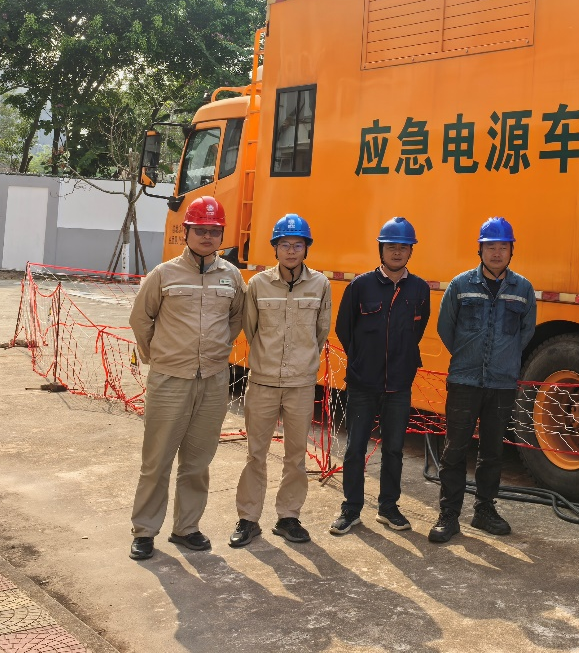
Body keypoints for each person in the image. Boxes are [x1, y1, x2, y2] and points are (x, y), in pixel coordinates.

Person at [128, 195, 246, 561]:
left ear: (221, 235)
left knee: (197, 462)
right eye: (201, 230)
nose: (208, 237)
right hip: (170, 380)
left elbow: (236, 319)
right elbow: (141, 319)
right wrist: (158, 357)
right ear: (188, 231)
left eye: (214, 231)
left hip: (213, 380)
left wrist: (217, 351)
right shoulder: (163, 274)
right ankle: (145, 531)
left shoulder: (232, 276)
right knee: (157, 461)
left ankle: (186, 528)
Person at [429, 216, 536, 544]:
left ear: (511, 250)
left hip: (502, 384)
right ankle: (449, 515)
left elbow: (525, 334)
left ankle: (484, 510)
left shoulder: (523, 289)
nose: (497, 253)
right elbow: (445, 328)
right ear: (480, 249)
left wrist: (503, 360)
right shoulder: (460, 285)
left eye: (503, 246)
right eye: (491, 247)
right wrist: (468, 356)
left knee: (492, 451)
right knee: (455, 449)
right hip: (465, 381)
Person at [229, 214, 332, 548]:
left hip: (300, 385)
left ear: (306, 248)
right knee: (255, 454)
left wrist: (301, 362)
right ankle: (248, 519)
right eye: (285, 244)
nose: (291, 251)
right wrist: (269, 360)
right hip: (263, 382)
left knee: (296, 456)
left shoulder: (320, 285)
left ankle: (288, 517)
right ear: (275, 248)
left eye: (297, 245)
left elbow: (321, 331)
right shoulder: (258, 285)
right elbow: (251, 329)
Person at [330, 217, 431, 535]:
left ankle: (388, 508)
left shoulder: (419, 289)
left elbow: (418, 329)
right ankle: (351, 509)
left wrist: (402, 361)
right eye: (391, 247)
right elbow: (344, 329)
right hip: (363, 383)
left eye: (404, 247)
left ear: (411, 251)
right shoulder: (360, 286)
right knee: (355, 448)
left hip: (399, 384)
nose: (397, 252)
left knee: (394, 449)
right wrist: (362, 359)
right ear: (381, 250)